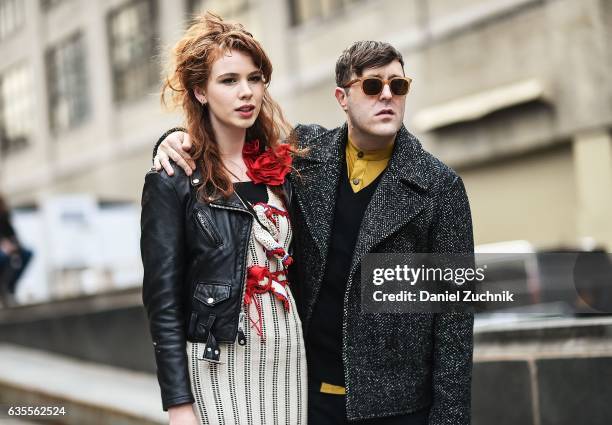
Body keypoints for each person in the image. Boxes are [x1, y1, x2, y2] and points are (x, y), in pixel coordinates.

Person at [154, 41, 474, 424]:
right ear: (342, 96)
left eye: (399, 86)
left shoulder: (439, 187)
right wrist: (174, 139)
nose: (387, 96)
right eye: (372, 86)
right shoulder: (305, 156)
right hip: (305, 397)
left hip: (398, 409)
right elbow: (229, 145)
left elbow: (455, 321)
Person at [140, 13, 306, 425]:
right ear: (200, 91)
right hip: (220, 361)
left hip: (289, 355)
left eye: (254, 78)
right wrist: (178, 402)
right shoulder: (174, 179)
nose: (246, 92)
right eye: (229, 81)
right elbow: (162, 300)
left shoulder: (285, 169)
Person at [0, 195, 32, 307]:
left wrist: (15, 246)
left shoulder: (4, 219)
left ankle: (9, 287)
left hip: (8, 251)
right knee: (3, 257)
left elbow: (13, 237)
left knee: (26, 254)